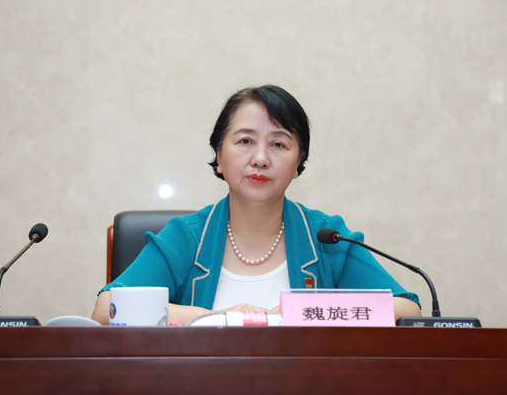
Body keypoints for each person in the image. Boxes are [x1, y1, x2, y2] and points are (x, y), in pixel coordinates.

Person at [91, 85, 421, 325]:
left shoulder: (327, 239)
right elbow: (107, 310)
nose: (260, 158)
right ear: (219, 156)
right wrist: (217, 318)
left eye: (278, 144)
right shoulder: (186, 238)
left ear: (298, 163)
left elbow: (407, 311)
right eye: (245, 141)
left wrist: (303, 314)